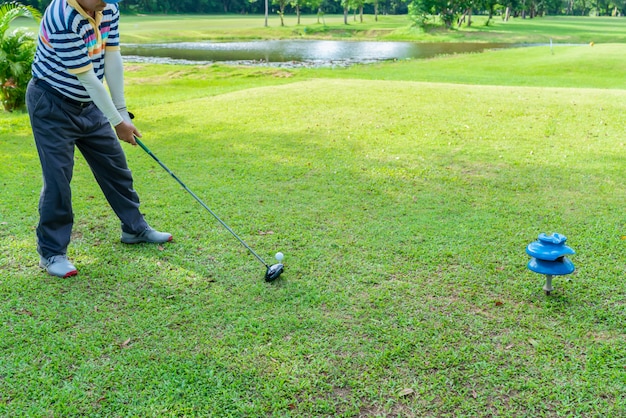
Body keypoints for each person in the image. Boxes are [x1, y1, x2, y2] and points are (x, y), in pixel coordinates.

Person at [26, 0, 172, 278]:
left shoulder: (109, 7)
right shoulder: (61, 16)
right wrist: (118, 123)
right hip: (51, 103)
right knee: (58, 179)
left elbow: (112, 57)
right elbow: (88, 79)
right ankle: (52, 253)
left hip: (90, 105)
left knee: (115, 167)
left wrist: (120, 112)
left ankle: (134, 228)